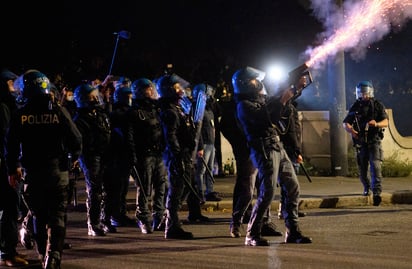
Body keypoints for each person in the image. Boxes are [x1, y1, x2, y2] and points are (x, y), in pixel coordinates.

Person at [6, 69, 82, 268]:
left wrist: (12, 169)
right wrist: (74, 157)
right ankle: (54, 254)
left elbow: (11, 145)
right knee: (57, 215)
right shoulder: (57, 111)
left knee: (39, 215)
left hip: (33, 174)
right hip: (58, 172)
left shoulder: (20, 115)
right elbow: (76, 138)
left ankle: (42, 253)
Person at [233, 66, 312, 246]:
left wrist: (294, 90)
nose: (258, 82)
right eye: (254, 80)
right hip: (263, 149)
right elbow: (265, 118)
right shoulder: (243, 106)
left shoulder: (261, 100)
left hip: (277, 146)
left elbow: (279, 110)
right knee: (267, 192)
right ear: (245, 84)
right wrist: (284, 98)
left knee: (292, 187)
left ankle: (292, 231)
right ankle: (252, 234)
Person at [218, 90, 282, 239]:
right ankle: (236, 223)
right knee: (246, 188)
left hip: (262, 149)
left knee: (264, 188)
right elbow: (227, 128)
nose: (260, 88)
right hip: (247, 151)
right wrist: (242, 145)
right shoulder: (238, 105)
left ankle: (264, 223)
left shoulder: (259, 101)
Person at [157, 74, 204, 239]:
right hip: (177, 155)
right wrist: (177, 157)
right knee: (177, 191)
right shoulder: (169, 111)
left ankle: (167, 219)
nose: (181, 90)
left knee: (183, 188)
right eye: (177, 88)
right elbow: (170, 137)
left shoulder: (177, 108)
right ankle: (172, 226)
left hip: (182, 154)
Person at [72, 83, 112, 236]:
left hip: (103, 154)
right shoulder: (80, 119)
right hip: (90, 157)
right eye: (91, 96)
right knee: (95, 190)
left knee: (104, 189)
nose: (95, 99)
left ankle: (103, 220)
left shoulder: (100, 114)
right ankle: (93, 224)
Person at [129, 78, 167, 233]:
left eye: (152, 89)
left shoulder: (156, 109)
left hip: (159, 153)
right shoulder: (135, 113)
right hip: (144, 154)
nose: (151, 92)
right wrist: (133, 155)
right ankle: (143, 217)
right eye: (148, 89)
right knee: (145, 188)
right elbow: (130, 136)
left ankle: (159, 216)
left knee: (161, 186)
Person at [343, 81, 388, 206]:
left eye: (365, 93)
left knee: (376, 166)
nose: (363, 95)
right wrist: (351, 130)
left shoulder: (377, 105)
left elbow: (386, 121)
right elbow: (346, 122)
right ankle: (367, 187)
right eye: (361, 93)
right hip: (361, 142)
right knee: (362, 169)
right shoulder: (356, 106)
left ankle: (377, 194)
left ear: (370, 92)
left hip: (374, 141)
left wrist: (377, 124)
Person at [0, 69, 29, 267]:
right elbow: (6, 139)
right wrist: (14, 166)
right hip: (5, 166)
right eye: (11, 84)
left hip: (6, 164)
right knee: (10, 208)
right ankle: (8, 253)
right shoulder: (3, 106)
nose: (15, 89)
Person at [100, 86, 135, 232]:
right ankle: (109, 217)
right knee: (113, 190)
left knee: (122, 188)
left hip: (124, 155)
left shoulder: (125, 112)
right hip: (115, 156)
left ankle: (119, 214)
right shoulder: (117, 114)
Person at [192, 83, 221, 203]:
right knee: (201, 170)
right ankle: (200, 192)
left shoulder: (209, 110)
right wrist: (199, 146)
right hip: (203, 144)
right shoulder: (197, 109)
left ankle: (210, 191)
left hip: (210, 143)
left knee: (209, 169)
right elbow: (196, 129)